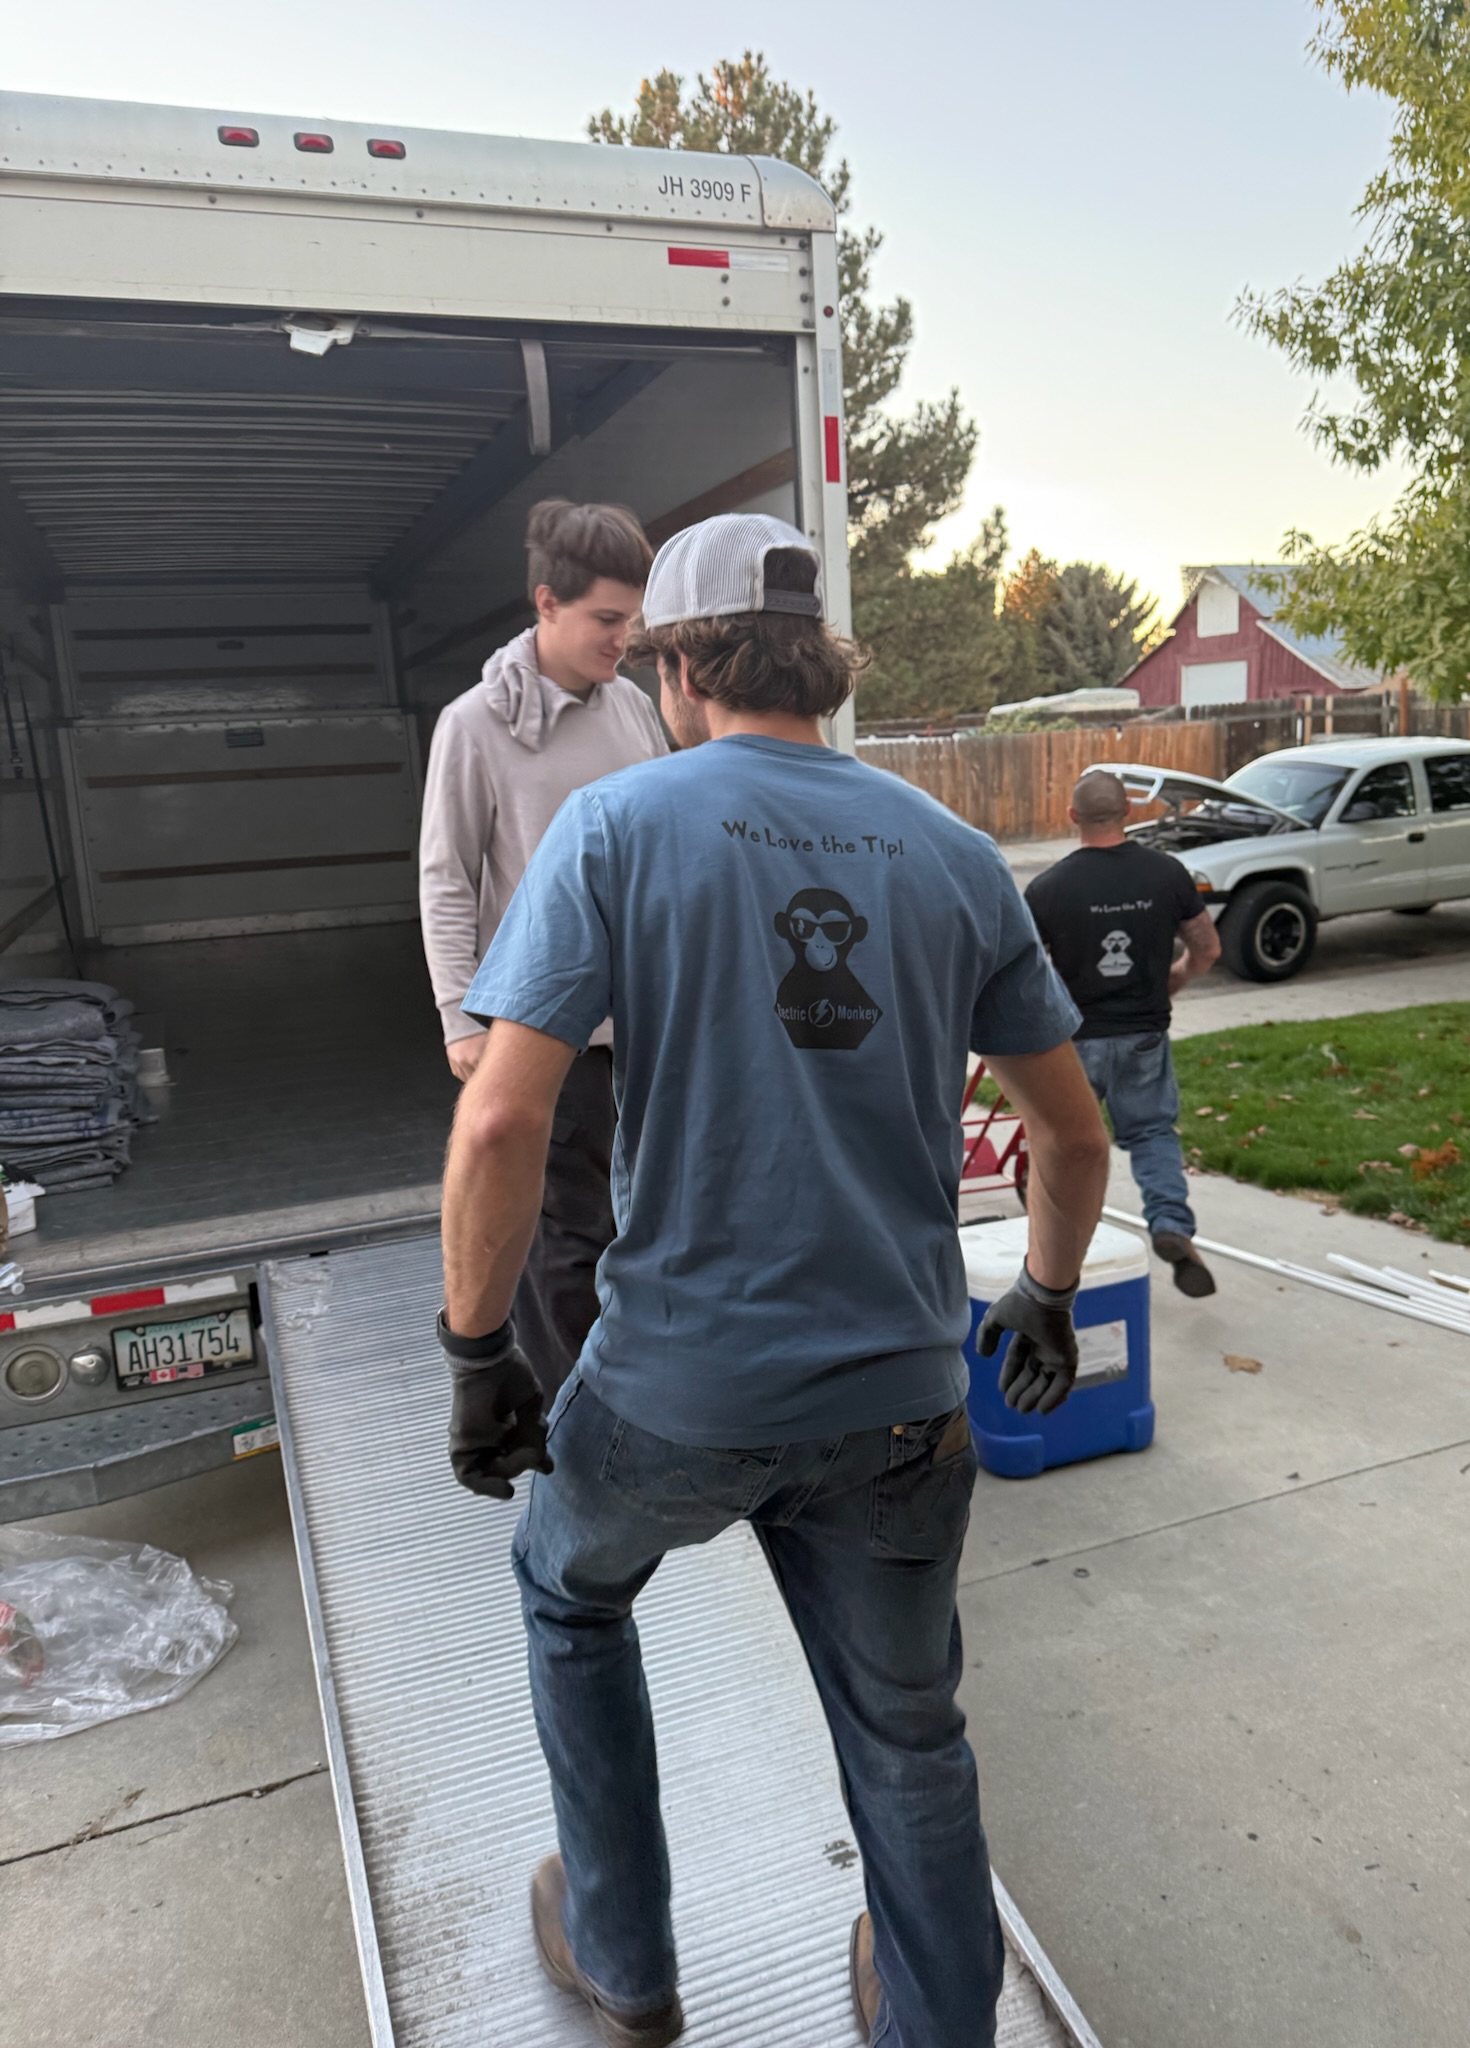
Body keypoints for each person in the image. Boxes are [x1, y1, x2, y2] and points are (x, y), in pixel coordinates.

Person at [435, 512, 1110, 2048]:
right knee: (908, 1731)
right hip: (897, 1400)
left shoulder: (618, 828)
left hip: (676, 1389)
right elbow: (1073, 1137)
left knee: (568, 1584)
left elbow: (501, 1115)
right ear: (828, 667)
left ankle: (626, 1961)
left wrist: (478, 1348)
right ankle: (939, 2026)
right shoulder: (952, 852)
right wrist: (1049, 1297)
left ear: (678, 665)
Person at [419, 498, 669, 1400]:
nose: (623, 639)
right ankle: (579, 1413)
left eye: (634, 622)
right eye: (608, 620)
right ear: (547, 603)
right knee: (559, 1235)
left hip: (642, 1021)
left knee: (637, 1217)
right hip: (539, 1025)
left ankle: (638, 1385)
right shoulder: (475, 725)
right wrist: (461, 1018)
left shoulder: (633, 714)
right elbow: (447, 877)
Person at [1024, 767, 1223, 1298]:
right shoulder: (1166, 874)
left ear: (1072, 817)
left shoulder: (1048, 889)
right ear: (1128, 813)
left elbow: (1023, 972)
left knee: (1067, 1145)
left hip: (1075, 1040)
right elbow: (1207, 948)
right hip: (1143, 1037)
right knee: (1152, 1133)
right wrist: (1176, 978)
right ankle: (1171, 1226)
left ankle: (1058, 1249)